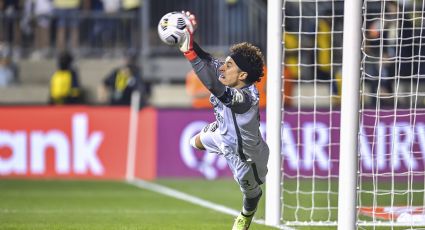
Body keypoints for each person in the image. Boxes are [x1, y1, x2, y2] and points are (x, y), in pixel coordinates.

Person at [179, 11, 269, 230]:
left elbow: (214, 87)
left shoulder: (246, 97)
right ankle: (216, 131)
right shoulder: (232, 76)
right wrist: (188, 39)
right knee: (194, 142)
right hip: (223, 136)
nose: (222, 67)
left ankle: (246, 216)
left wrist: (190, 53)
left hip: (246, 154)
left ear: (242, 76)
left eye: (228, 65)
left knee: (252, 194)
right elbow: (209, 60)